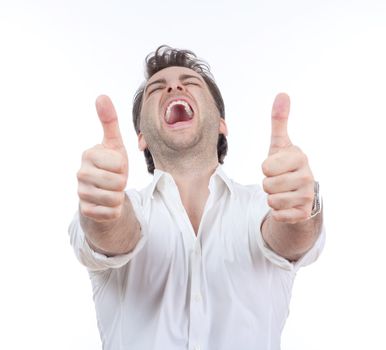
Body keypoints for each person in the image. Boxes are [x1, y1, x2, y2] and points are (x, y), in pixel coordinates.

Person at [68, 45, 325, 350]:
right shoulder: (127, 208)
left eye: (190, 83)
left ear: (221, 124)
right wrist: (102, 211)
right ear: (142, 138)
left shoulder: (262, 203)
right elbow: (112, 236)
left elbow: (290, 237)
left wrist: (300, 209)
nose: (174, 86)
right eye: (156, 89)